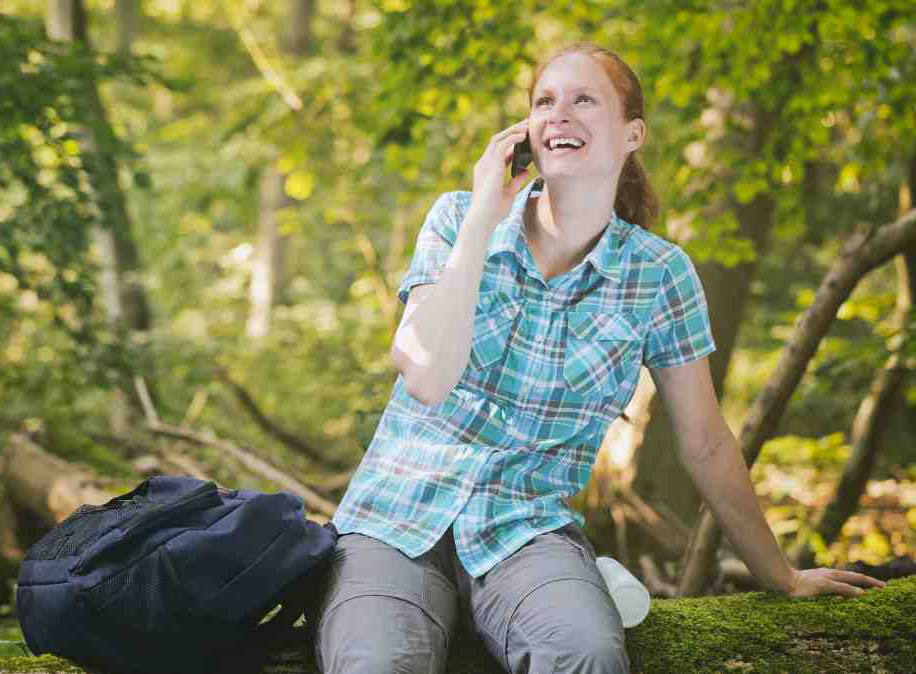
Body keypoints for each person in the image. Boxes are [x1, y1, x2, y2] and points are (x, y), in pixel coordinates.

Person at [308, 43, 886, 674]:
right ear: (525, 131)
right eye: (544, 101)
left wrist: (779, 574)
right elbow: (425, 374)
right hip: (393, 519)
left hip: (524, 531)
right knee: (376, 664)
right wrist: (481, 218)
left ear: (632, 133)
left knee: (588, 653)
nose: (560, 114)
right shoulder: (456, 218)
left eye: (584, 99)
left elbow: (706, 443)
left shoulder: (660, 274)